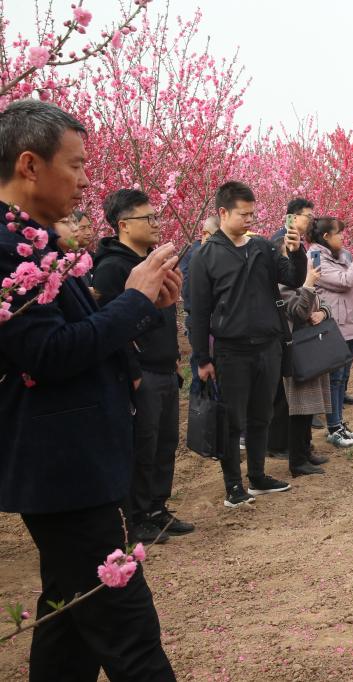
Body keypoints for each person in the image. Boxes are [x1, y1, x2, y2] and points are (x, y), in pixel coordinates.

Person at [0, 99, 177, 680]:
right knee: (131, 636)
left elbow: (77, 335)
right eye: (74, 165)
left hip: (75, 463)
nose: (83, 181)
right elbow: (48, 353)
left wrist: (139, 302)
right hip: (64, 469)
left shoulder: (37, 243)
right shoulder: (7, 249)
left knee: (68, 623)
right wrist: (133, 299)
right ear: (30, 165)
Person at [189, 181, 307, 508]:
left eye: (252, 214)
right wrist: (202, 358)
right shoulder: (206, 256)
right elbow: (199, 312)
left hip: (268, 346)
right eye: (243, 214)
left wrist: (296, 253)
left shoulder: (262, 248)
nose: (250, 220)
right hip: (232, 351)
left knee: (261, 415)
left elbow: (293, 278)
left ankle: (257, 476)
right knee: (232, 421)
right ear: (223, 212)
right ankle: (233, 486)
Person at [92, 189, 194, 543]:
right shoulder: (111, 269)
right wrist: (132, 370)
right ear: (123, 225)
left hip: (164, 367)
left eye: (155, 216)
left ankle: (157, 508)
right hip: (139, 372)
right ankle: (135, 518)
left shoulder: (153, 263)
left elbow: (164, 315)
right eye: (147, 218)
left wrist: (175, 356)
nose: (155, 223)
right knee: (142, 447)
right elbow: (108, 327)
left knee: (166, 444)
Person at [307, 217, 353, 447]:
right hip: (334, 324)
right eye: (339, 233)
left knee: (343, 377)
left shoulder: (341, 255)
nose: (343, 237)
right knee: (335, 379)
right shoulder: (316, 258)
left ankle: (339, 424)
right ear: (326, 236)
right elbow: (345, 281)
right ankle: (334, 427)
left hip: (350, 322)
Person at [268, 198, 316, 454]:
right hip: (286, 324)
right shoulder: (282, 242)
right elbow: (288, 286)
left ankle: (293, 444)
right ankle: (279, 445)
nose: (311, 221)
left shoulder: (297, 242)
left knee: (290, 391)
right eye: (308, 216)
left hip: (298, 319)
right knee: (284, 392)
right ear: (293, 217)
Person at [278, 263, 333, 477]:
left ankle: (306, 450)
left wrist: (322, 313)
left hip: (312, 347)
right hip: (297, 351)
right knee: (299, 408)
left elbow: (323, 303)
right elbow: (299, 312)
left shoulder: (299, 283)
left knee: (309, 407)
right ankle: (297, 461)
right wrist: (308, 284)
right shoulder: (282, 286)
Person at [181, 215, 219, 397]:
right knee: (202, 373)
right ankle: (199, 407)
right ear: (205, 234)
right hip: (200, 323)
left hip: (214, 324)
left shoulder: (212, 254)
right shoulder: (194, 256)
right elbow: (189, 297)